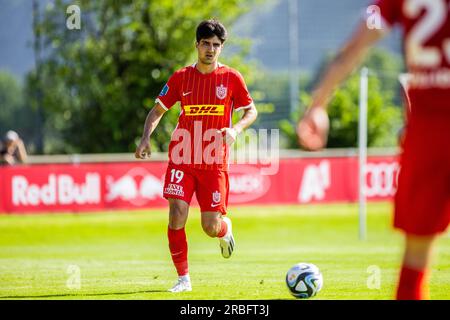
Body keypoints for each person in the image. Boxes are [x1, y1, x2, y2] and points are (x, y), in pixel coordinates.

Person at [297, 0, 450, 300]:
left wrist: (317, 105)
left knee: (414, 263)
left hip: (428, 133)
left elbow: (355, 47)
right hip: (426, 129)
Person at [135, 19, 258, 293]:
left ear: (221, 48)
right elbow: (157, 111)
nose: (211, 50)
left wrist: (236, 129)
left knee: (209, 226)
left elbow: (251, 111)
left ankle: (224, 230)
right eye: (206, 44)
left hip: (214, 163)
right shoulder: (181, 77)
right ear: (197, 45)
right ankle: (183, 279)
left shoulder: (232, 78)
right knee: (177, 213)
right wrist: (145, 138)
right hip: (183, 156)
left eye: (216, 45)